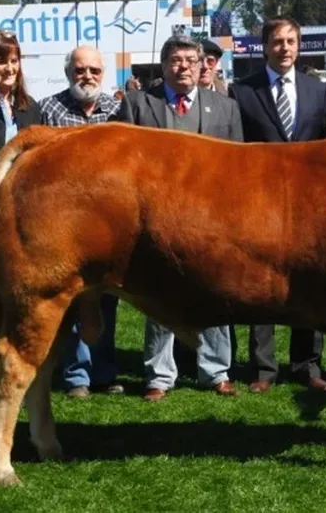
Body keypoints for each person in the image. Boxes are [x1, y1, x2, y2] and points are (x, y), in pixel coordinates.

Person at [116, 35, 243, 401]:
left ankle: (216, 370)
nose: (183, 66)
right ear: (164, 64)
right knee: (160, 294)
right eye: (175, 59)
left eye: (190, 59)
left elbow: (238, 166)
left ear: (203, 64)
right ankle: (159, 375)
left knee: (216, 291)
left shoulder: (225, 108)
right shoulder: (139, 104)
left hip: (213, 218)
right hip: (157, 218)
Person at [228, 16, 326, 394]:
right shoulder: (241, 92)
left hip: (308, 204)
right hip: (260, 201)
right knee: (262, 283)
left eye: (291, 41)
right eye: (277, 42)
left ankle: (308, 364)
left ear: (299, 45)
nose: (285, 48)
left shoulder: (319, 92)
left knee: (311, 282)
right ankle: (264, 368)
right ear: (264, 47)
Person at [38, 45, 125, 399]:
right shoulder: (50, 109)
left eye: (94, 70)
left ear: (103, 74)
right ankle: (77, 376)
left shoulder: (119, 109)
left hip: (110, 221)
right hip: (67, 222)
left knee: (108, 299)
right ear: (68, 73)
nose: (87, 76)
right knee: (72, 298)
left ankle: (105, 372)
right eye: (79, 70)